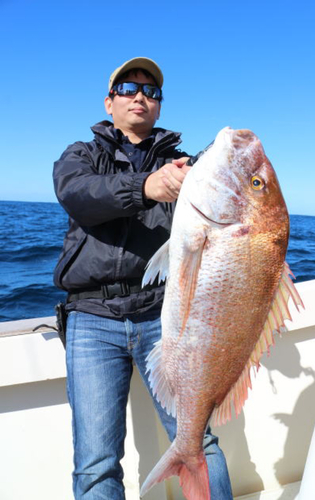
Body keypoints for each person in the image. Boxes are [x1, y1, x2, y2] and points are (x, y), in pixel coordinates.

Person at [53, 56, 233, 500]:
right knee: (95, 465)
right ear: (109, 102)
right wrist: (146, 187)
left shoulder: (183, 165)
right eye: (129, 89)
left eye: (151, 92)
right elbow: (78, 194)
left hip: (164, 316)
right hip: (92, 317)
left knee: (201, 441)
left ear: (158, 106)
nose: (141, 97)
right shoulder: (83, 154)